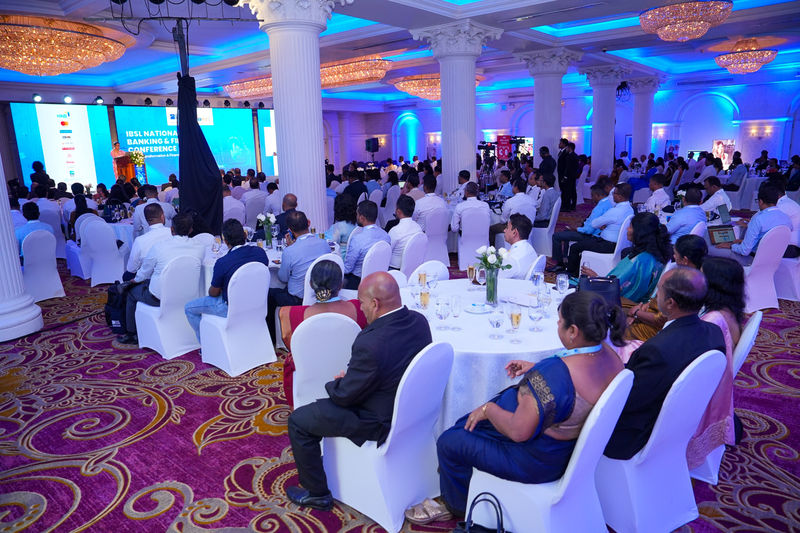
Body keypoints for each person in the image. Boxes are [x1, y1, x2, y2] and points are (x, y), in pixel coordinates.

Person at [413, 291, 625, 520]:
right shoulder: (609, 356)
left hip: (535, 460)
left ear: (573, 331)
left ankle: (461, 510)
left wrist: (488, 410)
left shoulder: (556, 374)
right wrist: (536, 369)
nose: (557, 324)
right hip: (567, 451)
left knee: (450, 442)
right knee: (467, 426)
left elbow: (518, 432)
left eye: (560, 321)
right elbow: (575, 391)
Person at [285, 272, 432, 510]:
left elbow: (345, 397)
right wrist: (357, 379)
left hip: (377, 419)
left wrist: (337, 383)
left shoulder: (371, 342)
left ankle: (317, 493)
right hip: (411, 410)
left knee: (299, 420)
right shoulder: (419, 321)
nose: (361, 308)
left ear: (375, 304)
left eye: (362, 303)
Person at [604, 267, 726, 460]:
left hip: (636, 439)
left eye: (659, 290)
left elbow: (628, 403)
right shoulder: (714, 332)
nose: (655, 297)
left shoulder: (657, 351)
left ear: (670, 303)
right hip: (682, 425)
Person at [279, 260, 369, 406]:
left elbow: (294, 349)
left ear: (310, 284)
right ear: (341, 284)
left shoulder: (288, 314)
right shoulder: (360, 308)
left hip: (310, 372)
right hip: (350, 375)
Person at [686, 256, 744, 470]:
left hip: (698, 390)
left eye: (701, 276)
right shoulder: (729, 309)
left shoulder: (714, 321)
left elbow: (689, 362)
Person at [118, 213, 204, 345]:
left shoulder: (159, 247)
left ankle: (131, 334)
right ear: (191, 229)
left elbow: (143, 273)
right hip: (189, 295)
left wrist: (133, 281)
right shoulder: (200, 247)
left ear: (172, 230)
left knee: (130, 293)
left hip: (160, 298)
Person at [184, 219, 270, 342]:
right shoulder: (260, 252)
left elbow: (213, 293)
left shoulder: (222, 262)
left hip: (230, 307)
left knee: (189, 308)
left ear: (225, 241)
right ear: (245, 235)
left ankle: (206, 344)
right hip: (257, 303)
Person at [625, 234, 707, 342]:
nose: (673, 256)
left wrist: (636, 313)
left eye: (675, 254)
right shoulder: (697, 275)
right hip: (651, 312)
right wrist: (645, 306)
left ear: (685, 260)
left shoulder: (685, 283)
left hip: (656, 330)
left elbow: (662, 319)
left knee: (617, 326)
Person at [267, 210, 331, 339]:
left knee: (270, 293)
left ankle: (273, 337)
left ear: (290, 230)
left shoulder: (290, 251)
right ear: (308, 223)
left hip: (297, 298)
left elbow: (283, 278)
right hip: (321, 292)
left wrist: (290, 248)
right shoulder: (324, 244)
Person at [582, 212, 671, 303]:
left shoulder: (641, 260)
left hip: (619, 304)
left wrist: (596, 278)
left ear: (639, 233)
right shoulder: (653, 253)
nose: (627, 229)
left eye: (630, 227)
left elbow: (617, 290)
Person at [565, 183, 634, 276]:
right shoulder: (630, 209)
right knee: (584, 244)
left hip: (607, 245)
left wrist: (603, 224)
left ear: (620, 197)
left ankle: (570, 274)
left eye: (614, 193)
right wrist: (606, 224)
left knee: (575, 247)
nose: (612, 195)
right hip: (618, 245)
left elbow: (594, 223)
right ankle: (577, 271)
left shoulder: (615, 211)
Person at [717, 182, 792, 263]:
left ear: (761, 201)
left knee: (715, 250)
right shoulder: (786, 218)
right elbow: (769, 240)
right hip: (775, 260)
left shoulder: (758, 219)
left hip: (753, 260)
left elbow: (744, 251)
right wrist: (742, 241)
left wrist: (731, 245)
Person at [549, 180, 614, 272]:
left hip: (591, 235)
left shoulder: (600, 207)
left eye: (592, 195)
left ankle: (559, 264)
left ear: (598, 195)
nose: (592, 198)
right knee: (566, 232)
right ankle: (566, 259)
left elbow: (589, 230)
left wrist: (577, 229)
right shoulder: (609, 203)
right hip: (598, 233)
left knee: (556, 236)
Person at [342, 201, 390, 289]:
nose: (356, 216)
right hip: (380, 280)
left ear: (362, 218)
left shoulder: (357, 239)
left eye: (357, 214)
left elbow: (347, 269)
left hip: (359, 282)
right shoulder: (386, 236)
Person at [124, 203, 171, 281]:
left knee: (126, 276)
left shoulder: (140, 241)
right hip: (174, 275)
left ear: (146, 220)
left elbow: (131, 269)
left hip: (151, 281)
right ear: (162, 217)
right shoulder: (173, 233)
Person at [489, 178, 537, 246]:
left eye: (513, 186)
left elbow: (503, 220)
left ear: (516, 188)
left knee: (491, 229)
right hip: (528, 227)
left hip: (512, 228)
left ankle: (492, 250)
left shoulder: (510, 201)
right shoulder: (532, 201)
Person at [388, 195, 423, 270]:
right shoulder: (418, 228)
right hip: (412, 267)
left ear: (398, 211)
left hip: (395, 268)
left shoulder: (395, 231)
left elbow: (387, 251)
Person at [499, 214, 536, 279]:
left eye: (507, 228)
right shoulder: (530, 249)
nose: (504, 230)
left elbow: (499, 281)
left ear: (514, 233)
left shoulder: (511, 259)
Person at [324, 194, 357, 259]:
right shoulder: (357, 224)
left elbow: (329, 244)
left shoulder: (338, 227)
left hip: (341, 259)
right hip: (354, 257)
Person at [774, 180, 800, 258]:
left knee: (758, 247)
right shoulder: (788, 202)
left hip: (792, 248)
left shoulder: (782, 206)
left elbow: (768, 226)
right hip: (794, 245)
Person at [560, 142, 580, 211]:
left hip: (568, 176)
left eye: (567, 148)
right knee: (573, 191)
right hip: (573, 176)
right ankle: (573, 206)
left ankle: (567, 207)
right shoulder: (576, 156)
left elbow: (567, 168)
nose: (566, 149)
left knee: (567, 192)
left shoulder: (569, 156)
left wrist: (565, 177)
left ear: (570, 148)